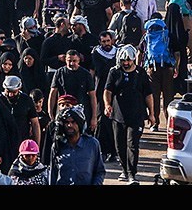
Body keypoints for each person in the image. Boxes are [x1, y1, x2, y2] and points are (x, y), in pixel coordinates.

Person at [104, 44, 154, 185]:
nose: (126, 63)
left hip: (136, 115)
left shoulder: (141, 73)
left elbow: (148, 94)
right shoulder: (114, 72)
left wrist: (151, 113)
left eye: (128, 60)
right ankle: (125, 170)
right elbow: (108, 91)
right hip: (118, 115)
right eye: (123, 61)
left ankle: (132, 174)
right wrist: (107, 105)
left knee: (133, 144)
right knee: (120, 145)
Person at [43, 105, 106, 185]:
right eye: (67, 122)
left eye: (73, 122)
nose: (69, 125)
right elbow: (53, 174)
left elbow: (99, 171)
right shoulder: (58, 146)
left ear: (79, 124)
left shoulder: (92, 144)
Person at [140, 15, 181, 130]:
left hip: (152, 69)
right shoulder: (168, 35)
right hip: (167, 69)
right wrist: (176, 67)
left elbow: (140, 52)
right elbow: (177, 53)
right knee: (168, 97)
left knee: (154, 97)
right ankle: (169, 123)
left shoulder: (147, 35)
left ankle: (154, 123)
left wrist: (140, 68)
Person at [48, 50, 97, 135]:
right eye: (69, 61)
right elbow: (53, 93)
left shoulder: (86, 74)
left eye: (74, 61)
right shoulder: (59, 73)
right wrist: (50, 113)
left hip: (81, 111)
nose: (71, 63)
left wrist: (94, 117)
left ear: (79, 60)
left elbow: (92, 96)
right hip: (63, 111)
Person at [91, 30, 118, 162]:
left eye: (108, 41)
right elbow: (99, 70)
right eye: (103, 42)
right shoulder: (96, 53)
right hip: (101, 89)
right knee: (102, 119)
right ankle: (102, 150)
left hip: (115, 90)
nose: (106, 44)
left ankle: (114, 151)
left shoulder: (117, 52)